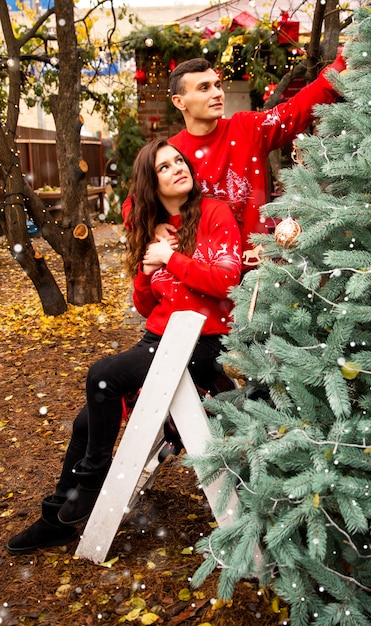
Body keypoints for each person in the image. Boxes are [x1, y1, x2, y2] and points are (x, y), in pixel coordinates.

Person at [7, 140, 242, 555]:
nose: (176, 169)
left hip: (201, 344)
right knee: (84, 423)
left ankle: (93, 481)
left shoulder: (216, 214)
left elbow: (227, 280)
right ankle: (57, 516)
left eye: (178, 161)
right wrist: (147, 269)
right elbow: (146, 304)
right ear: (151, 184)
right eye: (164, 167)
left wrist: (172, 259)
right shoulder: (153, 228)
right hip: (161, 341)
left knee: (101, 376)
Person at [122, 54, 347, 269]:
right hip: (198, 276)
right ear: (180, 102)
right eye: (204, 88)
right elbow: (133, 204)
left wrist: (340, 64)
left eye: (217, 85)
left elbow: (294, 111)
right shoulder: (171, 155)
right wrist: (154, 228)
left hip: (255, 270)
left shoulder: (246, 129)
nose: (217, 93)